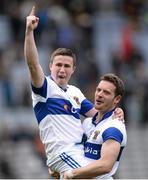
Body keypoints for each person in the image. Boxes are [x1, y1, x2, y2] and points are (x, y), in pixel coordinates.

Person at [24, 6, 124, 176]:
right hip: (63, 152)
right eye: (58, 65)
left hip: (80, 150)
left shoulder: (75, 92)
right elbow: (33, 64)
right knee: (95, 176)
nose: (62, 70)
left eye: (66, 66)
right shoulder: (45, 88)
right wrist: (29, 32)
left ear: (73, 70)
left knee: (105, 176)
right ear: (50, 66)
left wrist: (115, 111)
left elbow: (96, 115)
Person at [64, 73, 127, 179]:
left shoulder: (113, 128)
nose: (100, 94)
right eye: (98, 90)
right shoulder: (87, 123)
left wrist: (71, 174)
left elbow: (105, 166)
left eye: (106, 92)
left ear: (116, 99)